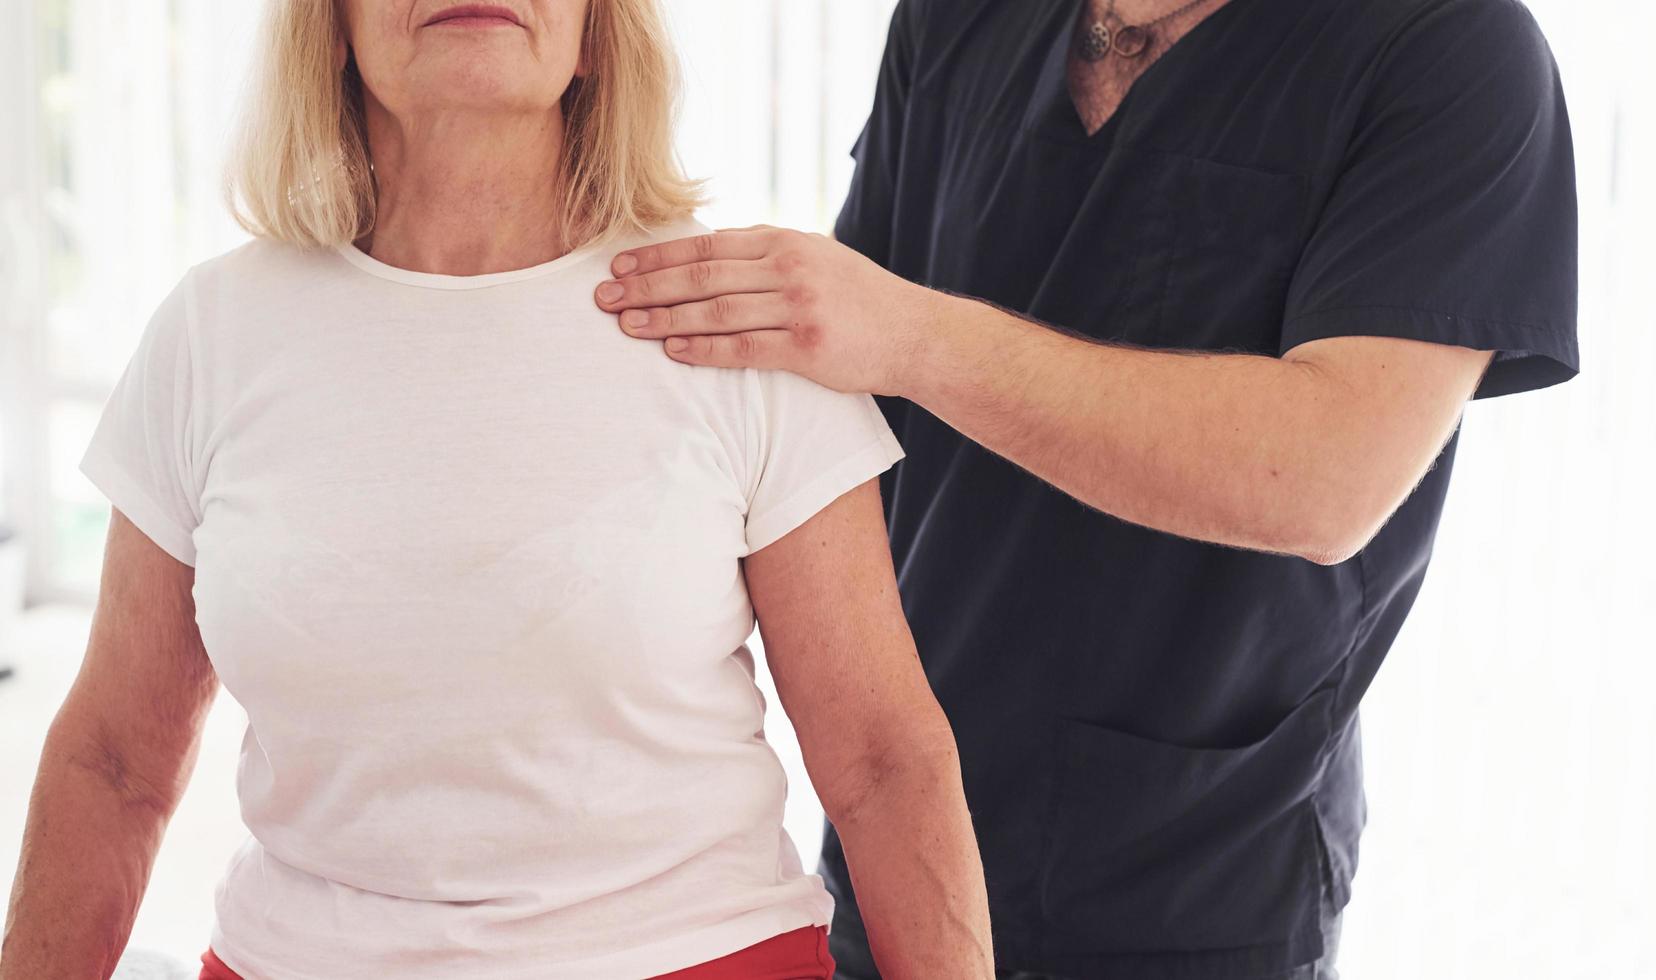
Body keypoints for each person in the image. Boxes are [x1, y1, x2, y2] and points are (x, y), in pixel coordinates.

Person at [0, 2, 996, 978]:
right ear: (330, 25)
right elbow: (114, 761)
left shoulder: (728, 314)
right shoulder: (209, 332)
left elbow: (881, 759)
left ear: (597, 27)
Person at [591, 0, 1580, 977]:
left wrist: (918, 337)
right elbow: (842, 412)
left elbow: (1327, 477)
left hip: (1203, 885)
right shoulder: (954, 19)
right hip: (906, 844)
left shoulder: (1448, 46)